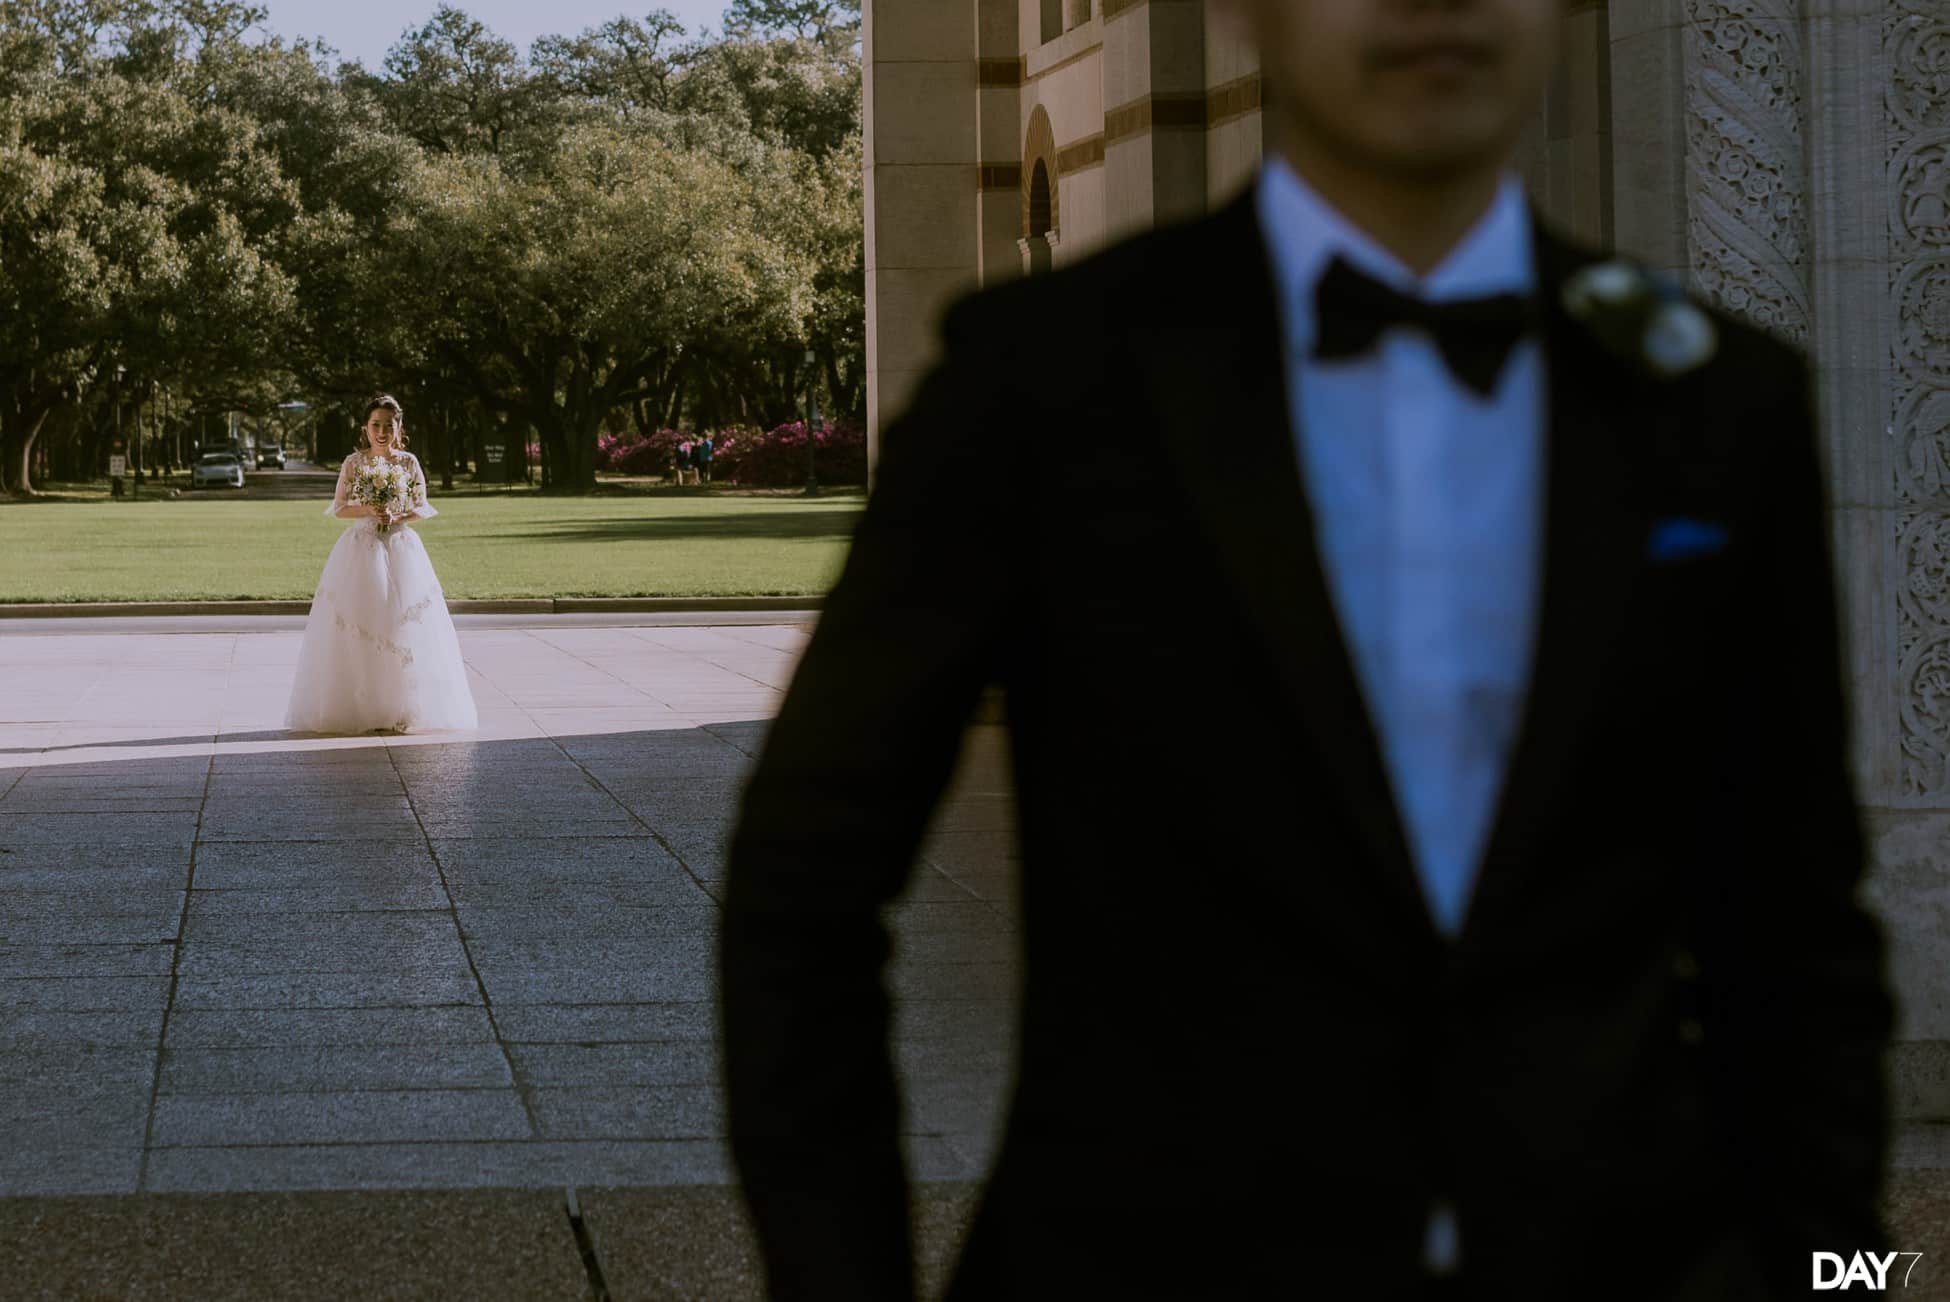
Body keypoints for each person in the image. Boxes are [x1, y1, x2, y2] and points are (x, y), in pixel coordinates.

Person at [717, 0, 1895, 1298]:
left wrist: (1830, 1272)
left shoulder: (1718, 402)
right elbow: (804, 888)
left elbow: (1794, 929)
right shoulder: (1041, 382)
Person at [285, 394, 477, 735]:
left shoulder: (408, 463)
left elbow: (422, 506)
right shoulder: (353, 463)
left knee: (401, 624)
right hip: (361, 549)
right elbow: (340, 508)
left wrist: (397, 515)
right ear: (365, 428)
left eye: (389, 424)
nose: (382, 431)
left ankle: (401, 708)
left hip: (401, 548)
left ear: (400, 427)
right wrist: (371, 510)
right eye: (376, 425)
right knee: (362, 620)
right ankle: (363, 706)